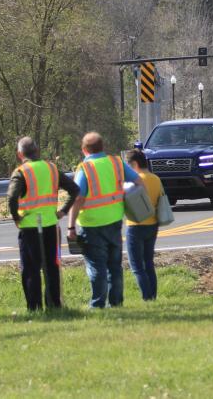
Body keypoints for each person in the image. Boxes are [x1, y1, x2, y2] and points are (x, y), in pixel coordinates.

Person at [67, 132, 144, 309]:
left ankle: (98, 303)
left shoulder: (85, 169)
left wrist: (70, 226)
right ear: (103, 147)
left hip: (91, 224)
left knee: (96, 265)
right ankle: (116, 302)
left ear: (84, 149)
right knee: (114, 265)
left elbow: (78, 198)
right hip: (114, 221)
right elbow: (139, 182)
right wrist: (127, 198)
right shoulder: (116, 162)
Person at [7, 136, 80, 311]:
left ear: (19, 154)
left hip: (29, 227)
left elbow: (11, 197)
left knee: (31, 269)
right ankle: (54, 305)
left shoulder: (21, 172)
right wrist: (62, 211)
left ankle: (35, 307)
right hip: (51, 227)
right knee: (51, 267)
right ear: (37, 151)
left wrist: (16, 217)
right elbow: (74, 189)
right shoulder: (52, 168)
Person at [124, 149, 162, 301]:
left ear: (134, 164)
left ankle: (147, 297)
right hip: (152, 223)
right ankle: (153, 295)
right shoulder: (155, 179)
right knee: (149, 263)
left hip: (135, 225)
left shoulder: (134, 180)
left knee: (137, 266)